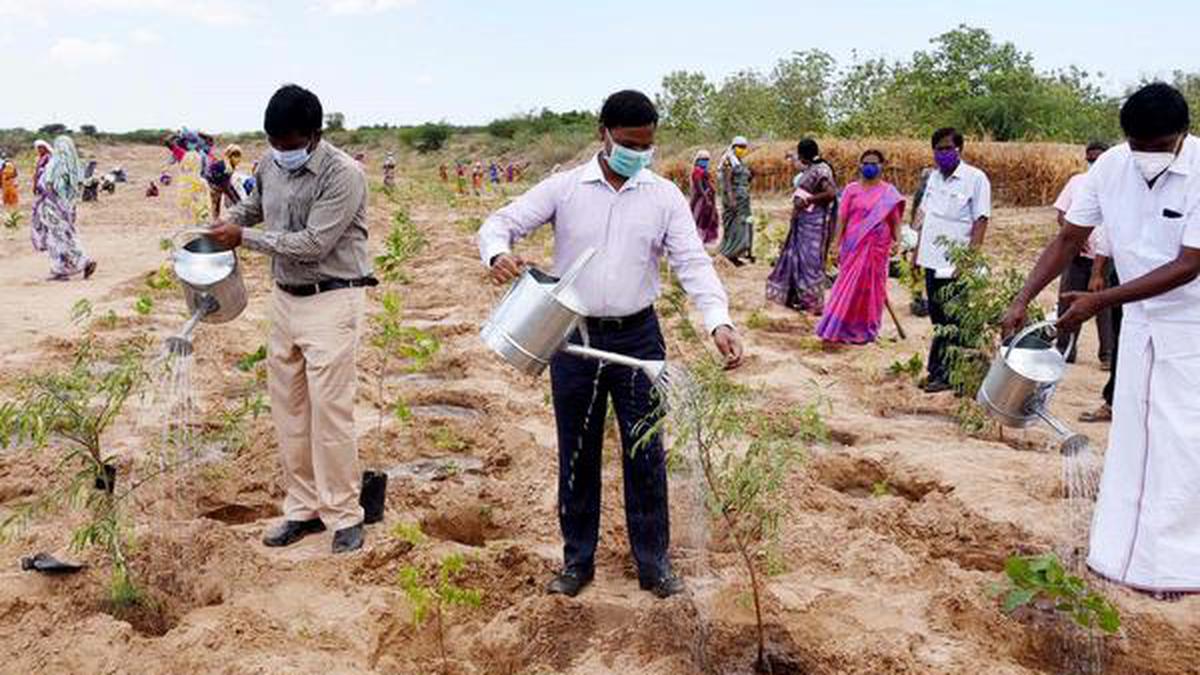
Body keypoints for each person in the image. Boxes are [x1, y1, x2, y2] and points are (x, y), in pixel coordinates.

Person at [478, 90, 744, 600]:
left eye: (646, 145)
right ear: (603, 133)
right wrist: (496, 254)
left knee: (645, 452)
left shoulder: (663, 196)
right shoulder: (564, 189)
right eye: (627, 144)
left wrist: (718, 321)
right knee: (577, 455)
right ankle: (577, 561)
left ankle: (653, 563)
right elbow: (500, 223)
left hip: (640, 337)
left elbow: (692, 263)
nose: (637, 154)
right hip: (573, 339)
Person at [1001, 82, 1200, 600]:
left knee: (1182, 440)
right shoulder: (1111, 166)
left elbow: (1190, 264)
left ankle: (1178, 567)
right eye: (1137, 144)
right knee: (1135, 435)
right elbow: (1069, 237)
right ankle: (1121, 553)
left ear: (1180, 136)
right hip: (1139, 324)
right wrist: (1023, 299)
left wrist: (1100, 301)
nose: (1145, 157)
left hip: (1190, 327)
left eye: (1156, 146)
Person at [209, 84, 375, 555]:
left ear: (315, 135)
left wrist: (244, 238)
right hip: (285, 300)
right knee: (290, 413)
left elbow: (312, 244)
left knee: (331, 413)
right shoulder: (267, 163)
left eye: (290, 146)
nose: (282, 154)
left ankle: (344, 514)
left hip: (332, 299)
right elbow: (255, 206)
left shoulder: (344, 176)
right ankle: (302, 510)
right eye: (275, 144)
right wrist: (224, 223)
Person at [914, 127, 991, 393]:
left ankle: (948, 374)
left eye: (948, 148)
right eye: (938, 149)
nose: (943, 153)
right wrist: (915, 253)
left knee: (952, 318)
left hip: (954, 262)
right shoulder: (933, 178)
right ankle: (938, 370)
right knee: (938, 317)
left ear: (960, 149)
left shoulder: (975, 179)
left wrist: (969, 259)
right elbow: (924, 215)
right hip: (931, 259)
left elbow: (981, 220)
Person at [817, 150, 905, 343]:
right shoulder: (851, 190)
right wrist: (835, 243)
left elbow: (896, 222)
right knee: (847, 285)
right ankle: (840, 327)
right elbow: (842, 218)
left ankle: (866, 329)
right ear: (859, 165)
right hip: (853, 245)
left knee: (872, 289)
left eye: (874, 162)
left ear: (882, 166)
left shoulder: (889, 192)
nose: (869, 166)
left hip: (878, 248)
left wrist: (898, 242)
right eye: (865, 162)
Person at [1053, 141, 1114, 366]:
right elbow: (1062, 214)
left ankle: (1107, 354)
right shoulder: (1077, 182)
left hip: (1106, 256)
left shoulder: (1117, 185)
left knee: (1104, 305)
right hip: (1077, 255)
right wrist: (1075, 240)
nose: (1093, 163)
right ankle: (1064, 349)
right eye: (1090, 159)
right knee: (1067, 301)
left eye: (1098, 159)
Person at [766, 138, 839, 314]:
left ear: (803, 155)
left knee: (810, 262)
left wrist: (808, 200)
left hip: (814, 224)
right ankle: (796, 297)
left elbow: (830, 193)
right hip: (803, 222)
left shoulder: (821, 169)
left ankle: (813, 303)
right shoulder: (812, 167)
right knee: (796, 258)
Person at [31, 137, 96, 281]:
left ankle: (62, 270)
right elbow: (78, 187)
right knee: (68, 236)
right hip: (68, 208)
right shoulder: (75, 166)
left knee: (55, 239)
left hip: (52, 208)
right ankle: (83, 262)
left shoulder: (54, 164)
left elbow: (47, 186)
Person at [717, 136, 753, 265]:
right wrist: (731, 199)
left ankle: (739, 252)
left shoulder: (740, 162)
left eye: (744, 147)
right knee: (734, 225)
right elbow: (727, 182)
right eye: (740, 147)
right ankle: (730, 254)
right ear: (733, 147)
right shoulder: (728, 161)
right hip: (734, 198)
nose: (742, 149)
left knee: (744, 224)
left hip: (743, 198)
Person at [689, 149, 719, 245]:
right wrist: (706, 198)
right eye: (703, 159)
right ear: (698, 160)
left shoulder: (704, 171)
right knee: (701, 218)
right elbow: (699, 187)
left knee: (709, 218)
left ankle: (706, 239)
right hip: (702, 199)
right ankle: (699, 239)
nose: (705, 161)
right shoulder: (697, 171)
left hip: (707, 197)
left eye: (707, 159)